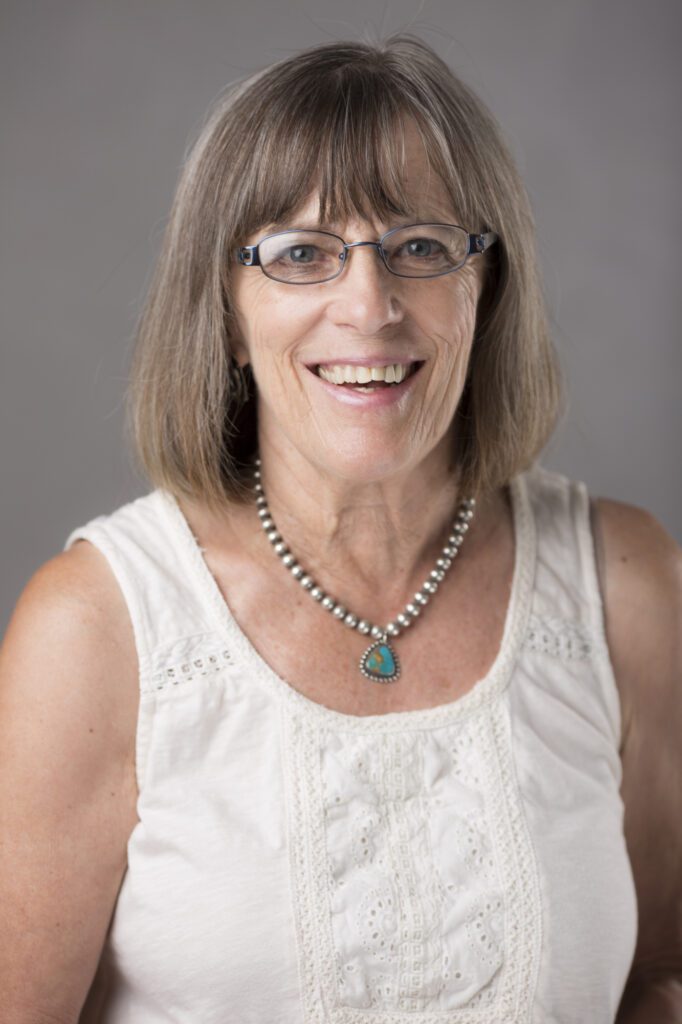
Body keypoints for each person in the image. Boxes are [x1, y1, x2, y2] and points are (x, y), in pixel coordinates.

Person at [1, 35, 680, 1024]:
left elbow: (657, 983)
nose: (368, 306)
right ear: (228, 312)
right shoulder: (94, 629)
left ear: (485, 288)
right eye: (300, 255)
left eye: (418, 247)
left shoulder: (628, 584)